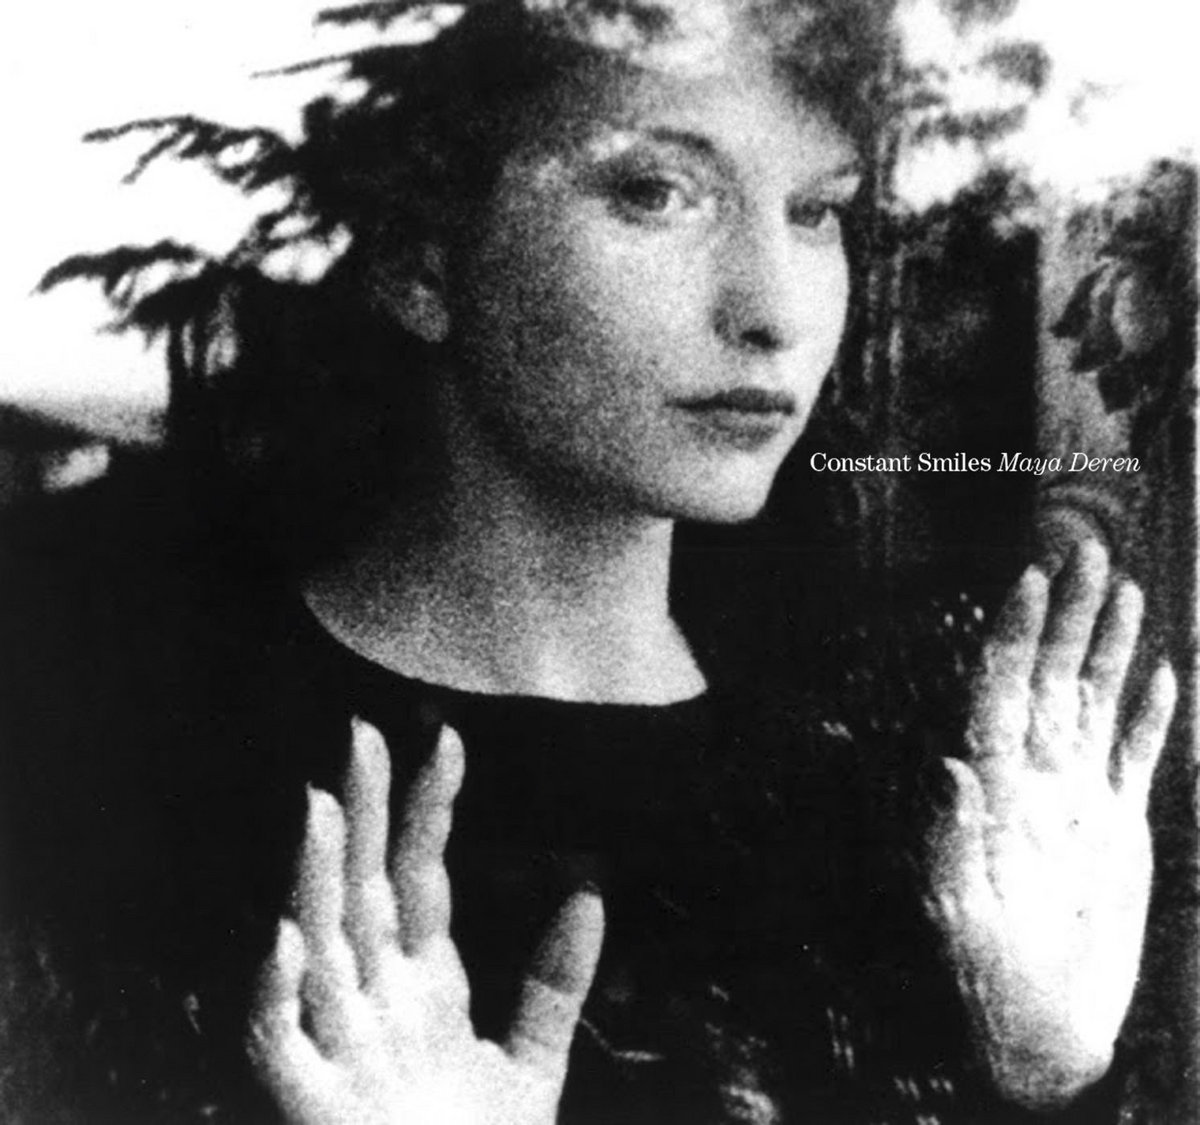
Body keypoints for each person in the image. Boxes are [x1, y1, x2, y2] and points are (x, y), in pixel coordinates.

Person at [0, 1, 1177, 1122]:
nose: (772, 311)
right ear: (423, 260)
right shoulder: (133, 759)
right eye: (655, 193)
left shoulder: (912, 779)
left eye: (816, 211)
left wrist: (1046, 1082)